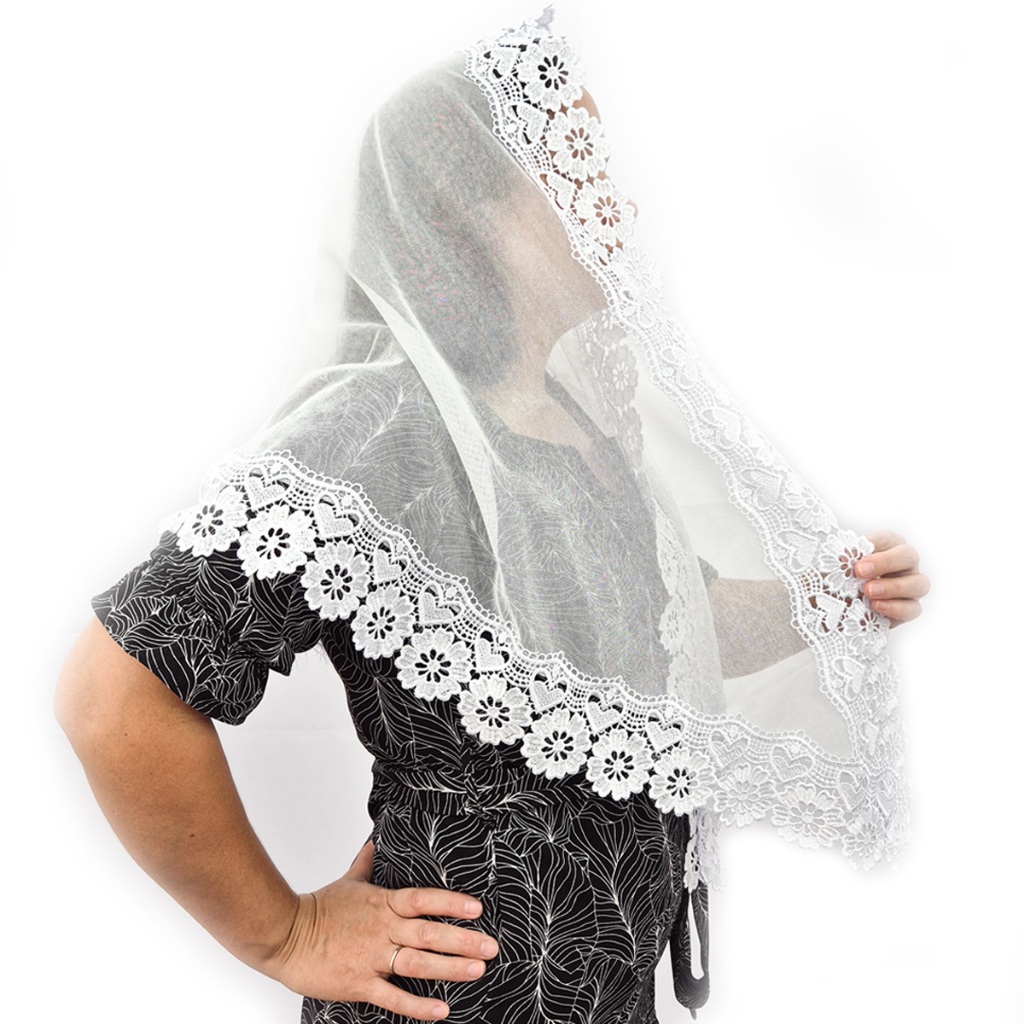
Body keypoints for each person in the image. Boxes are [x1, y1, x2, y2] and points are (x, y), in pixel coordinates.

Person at [55, 11, 929, 1023]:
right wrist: (282, 934)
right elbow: (111, 697)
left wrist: (825, 599)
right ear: (478, 213)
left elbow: (660, 629)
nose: (620, 195)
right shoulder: (377, 434)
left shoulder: (579, 426)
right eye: (579, 158)